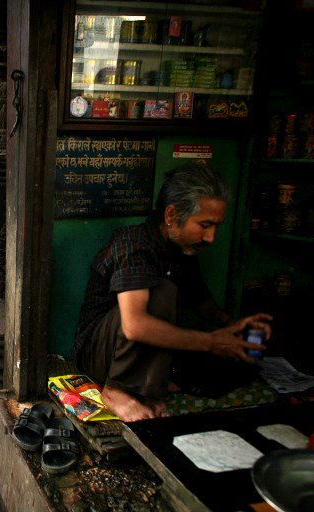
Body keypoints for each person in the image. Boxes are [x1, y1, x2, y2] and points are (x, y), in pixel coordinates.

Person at [74, 162, 272, 422]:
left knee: (240, 364)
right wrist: (211, 341)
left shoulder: (182, 248)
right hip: (102, 356)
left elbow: (200, 301)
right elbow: (134, 326)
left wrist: (231, 325)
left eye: (216, 226)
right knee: (163, 292)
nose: (211, 237)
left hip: (149, 354)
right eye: (205, 225)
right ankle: (116, 391)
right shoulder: (134, 244)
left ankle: (156, 385)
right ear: (171, 215)